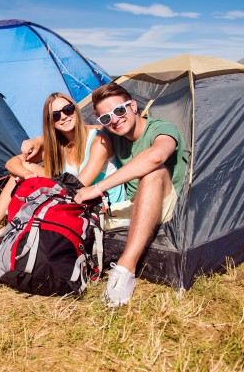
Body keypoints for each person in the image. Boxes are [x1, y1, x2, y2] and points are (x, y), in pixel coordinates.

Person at [0, 92, 125, 249]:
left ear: (75, 110)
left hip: (102, 206)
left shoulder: (99, 141)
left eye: (67, 109)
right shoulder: (58, 146)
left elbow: (80, 186)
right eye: (55, 115)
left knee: (46, 202)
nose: (63, 117)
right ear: (51, 122)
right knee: (20, 172)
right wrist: (27, 174)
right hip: (75, 198)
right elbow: (11, 163)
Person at [69, 82, 187, 307]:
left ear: (133, 106)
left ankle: (126, 268)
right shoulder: (112, 132)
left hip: (165, 202)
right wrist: (38, 141)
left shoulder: (162, 129)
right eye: (106, 118)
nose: (114, 119)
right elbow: (81, 130)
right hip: (130, 204)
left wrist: (97, 187)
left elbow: (156, 156)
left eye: (119, 110)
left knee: (153, 171)